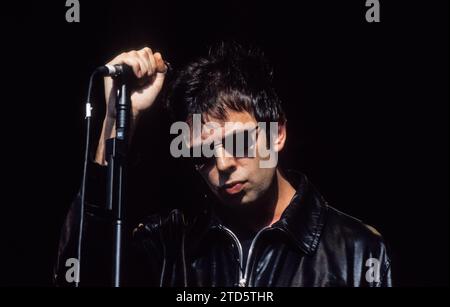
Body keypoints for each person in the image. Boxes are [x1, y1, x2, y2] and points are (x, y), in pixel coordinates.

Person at [54, 42, 392, 287]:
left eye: (238, 142)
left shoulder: (357, 251)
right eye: (202, 155)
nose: (223, 164)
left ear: (277, 134)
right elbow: (83, 274)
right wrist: (115, 117)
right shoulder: (171, 246)